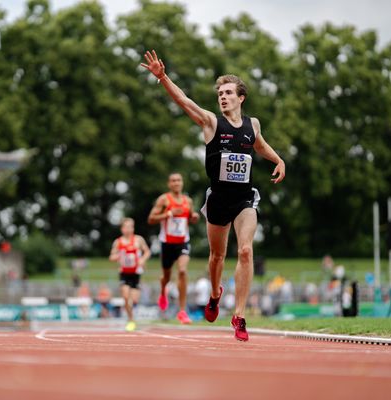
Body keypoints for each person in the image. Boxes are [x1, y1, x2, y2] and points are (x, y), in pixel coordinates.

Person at [141, 50, 285, 341]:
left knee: (245, 251)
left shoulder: (252, 124)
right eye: (220, 93)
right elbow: (183, 101)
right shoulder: (211, 123)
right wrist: (163, 77)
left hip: (244, 199)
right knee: (217, 256)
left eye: (228, 92)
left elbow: (259, 146)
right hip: (218, 199)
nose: (222, 97)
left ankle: (240, 316)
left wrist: (279, 160)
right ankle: (216, 294)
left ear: (240, 98)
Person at [147, 172, 200, 324]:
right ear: (169, 184)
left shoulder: (187, 201)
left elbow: (190, 217)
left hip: (183, 242)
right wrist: (168, 213)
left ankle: (182, 311)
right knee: (166, 278)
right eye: (173, 181)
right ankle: (163, 291)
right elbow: (151, 219)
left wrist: (194, 217)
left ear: (182, 183)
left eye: (179, 180)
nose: (176, 183)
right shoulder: (164, 200)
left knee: (183, 271)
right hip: (167, 243)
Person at [109, 218, 151, 331]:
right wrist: (117, 256)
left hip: (136, 273)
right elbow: (111, 257)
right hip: (124, 273)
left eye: (131, 227)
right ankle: (130, 319)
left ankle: (132, 315)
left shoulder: (138, 240)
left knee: (135, 300)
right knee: (126, 296)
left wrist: (142, 259)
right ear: (122, 229)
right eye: (126, 227)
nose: (128, 229)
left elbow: (147, 251)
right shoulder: (118, 242)